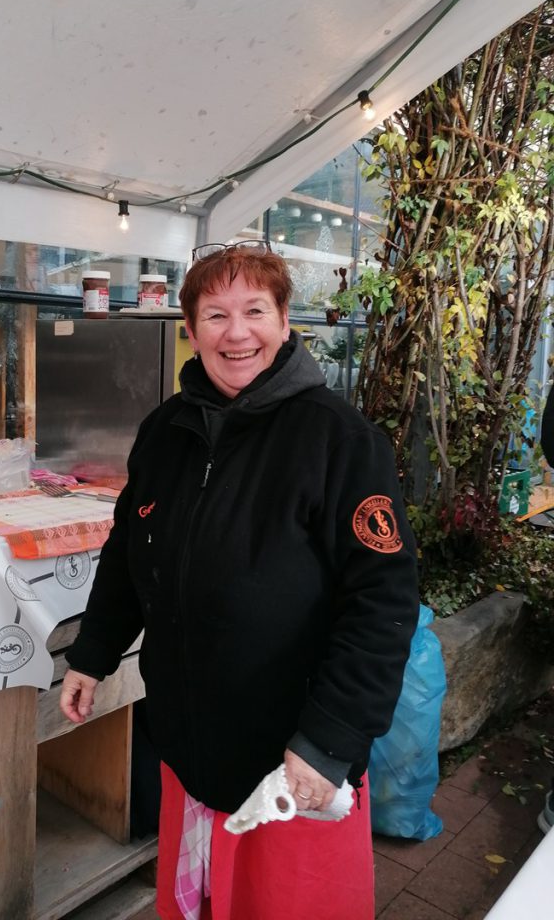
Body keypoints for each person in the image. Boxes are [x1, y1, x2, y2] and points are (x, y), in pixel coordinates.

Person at [60, 241, 420, 920]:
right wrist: (93, 652)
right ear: (191, 330)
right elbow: (131, 547)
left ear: (284, 321)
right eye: (216, 315)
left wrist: (329, 740)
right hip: (189, 746)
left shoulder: (339, 440)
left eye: (255, 311)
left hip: (289, 764)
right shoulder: (165, 431)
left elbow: (383, 602)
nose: (237, 333)